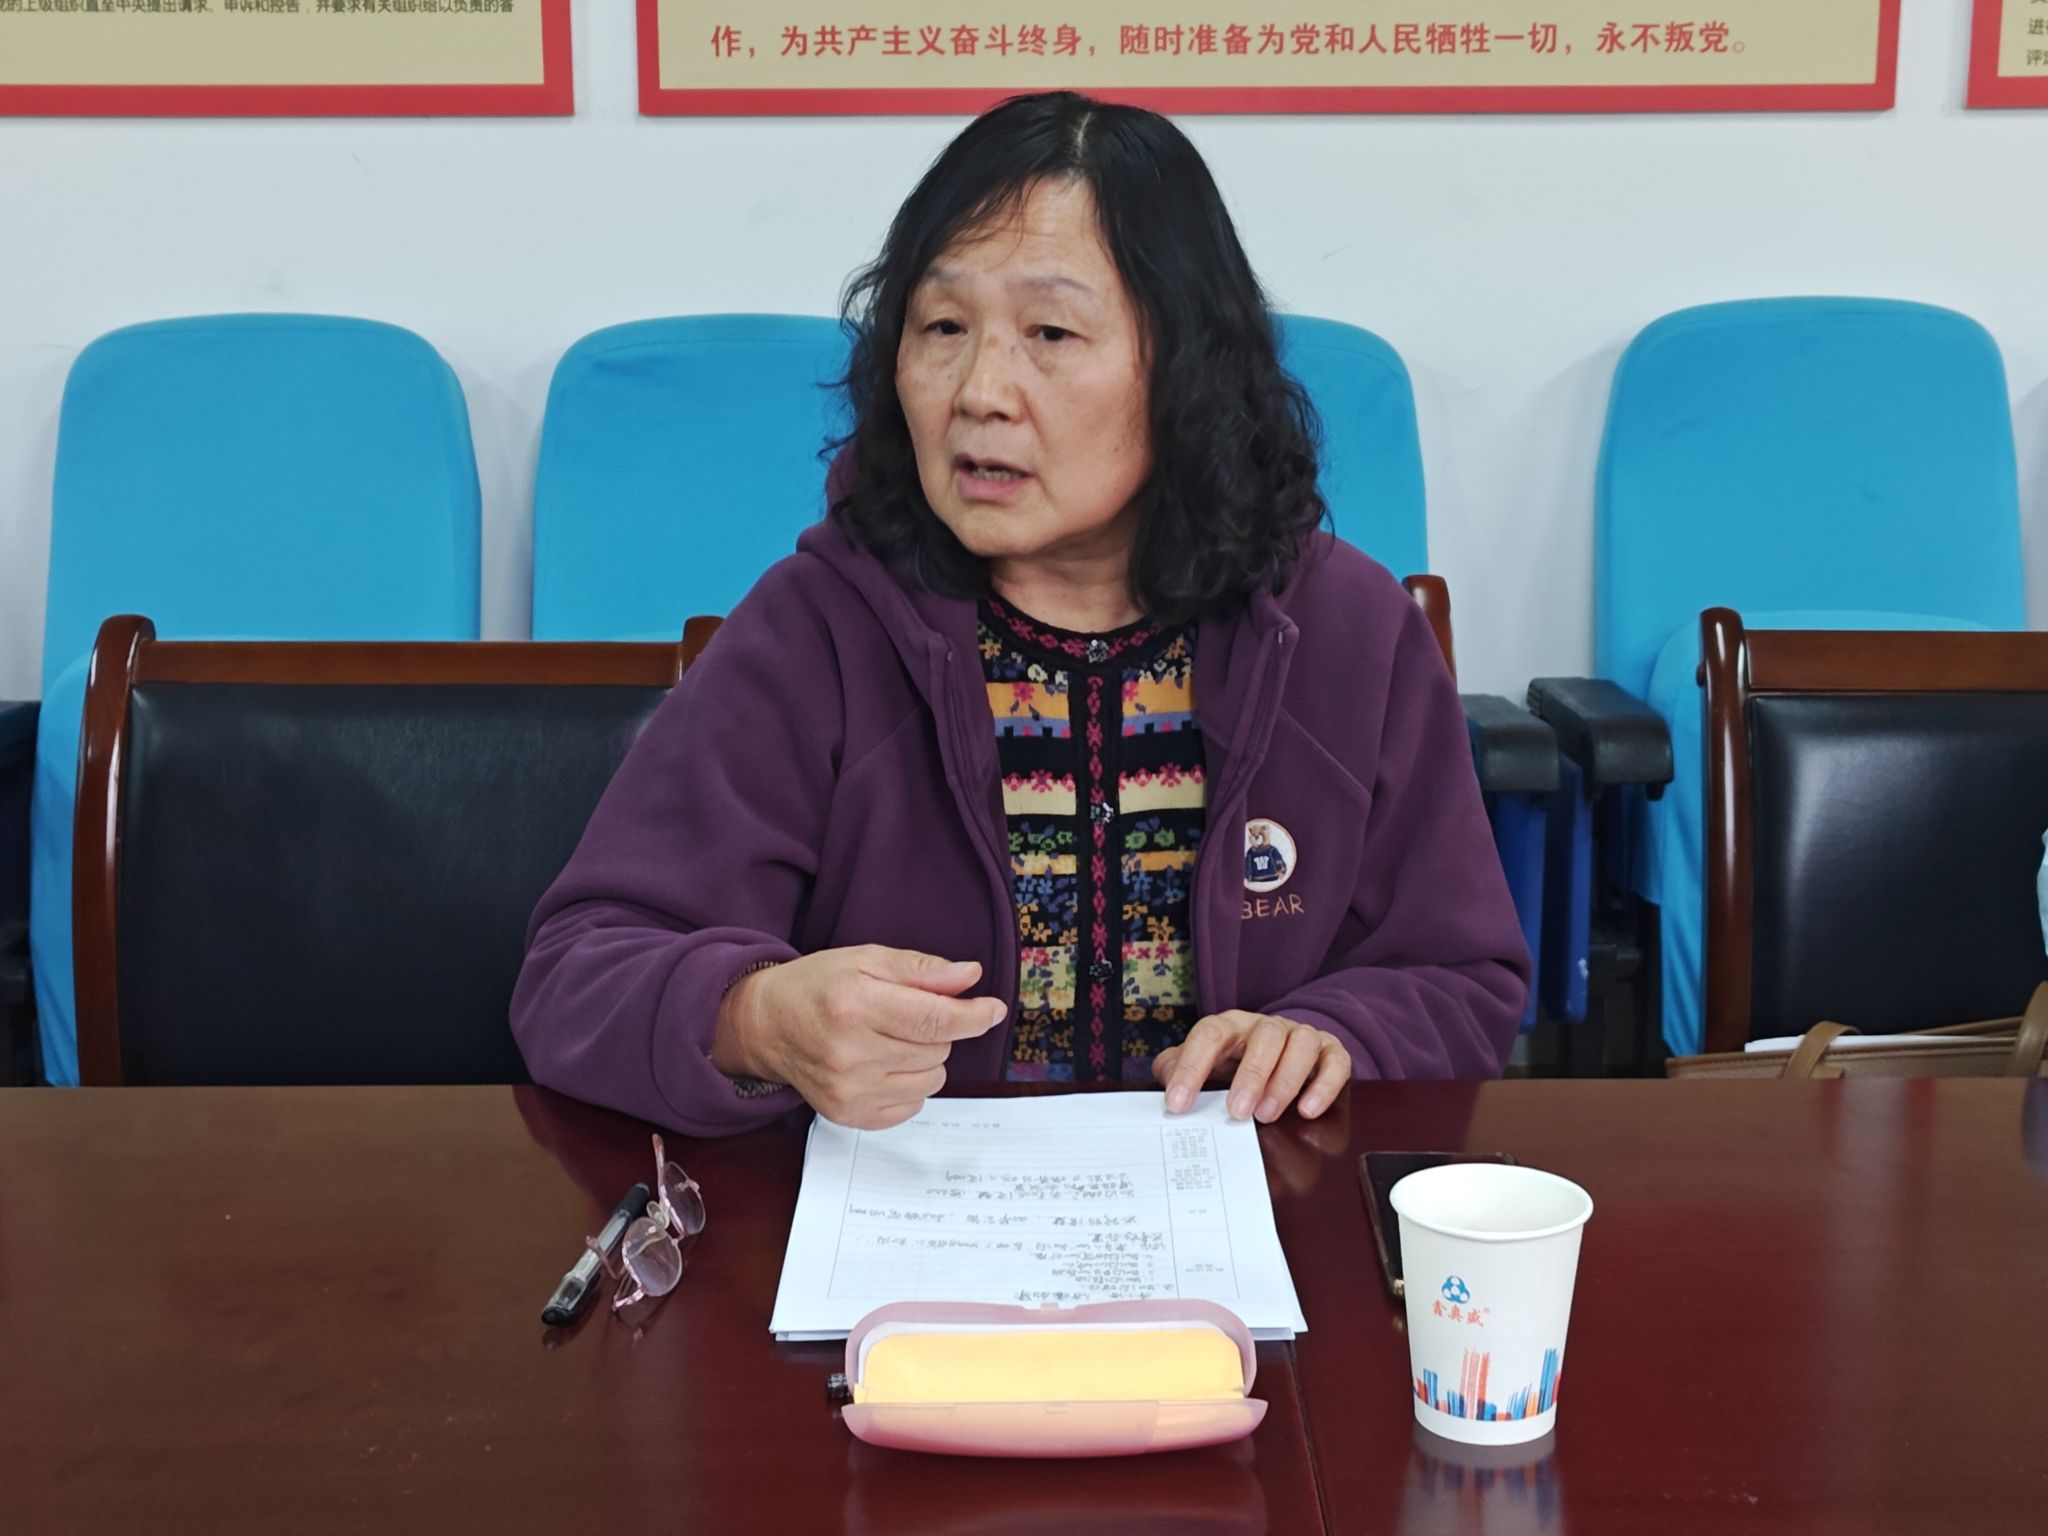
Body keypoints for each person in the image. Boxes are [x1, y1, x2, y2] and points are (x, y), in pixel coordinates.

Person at [512, 91, 1529, 1138]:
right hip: (906, 1219)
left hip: (1245, 1212)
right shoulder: (817, 628)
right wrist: (753, 1018)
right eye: (943, 328)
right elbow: (577, 973)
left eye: (1049, 332)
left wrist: (1334, 1036)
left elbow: (1458, 976)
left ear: (1184, 366)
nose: (979, 391)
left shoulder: (1345, 631)